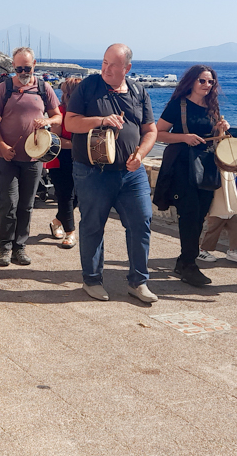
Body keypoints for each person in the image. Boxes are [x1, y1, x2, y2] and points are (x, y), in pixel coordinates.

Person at [66, 44, 158, 302]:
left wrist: (140, 155)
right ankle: (92, 280)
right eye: (104, 62)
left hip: (131, 173)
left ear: (127, 68)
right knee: (93, 225)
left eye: (113, 65)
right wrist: (101, 120)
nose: (105, 68)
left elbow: (150, 130)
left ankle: (138, 282)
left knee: (142, 222)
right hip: (93, 171)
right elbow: (70, 122)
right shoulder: (88, 87)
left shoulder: (139, 92)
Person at [154, 64, 230, 287]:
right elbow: (158, 133)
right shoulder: (179, 105)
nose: (207, 85)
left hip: (207, 165)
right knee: (189, 214)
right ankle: (189, 265)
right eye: (202, 81)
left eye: (210, 82)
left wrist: (221, 129)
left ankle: (183, 261)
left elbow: (214, 136)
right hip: (183, 166)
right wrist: (184, 138)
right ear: (191, 82)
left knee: (199, 216)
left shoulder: (211, 106)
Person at [0, 47, 61, 266]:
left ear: (34, 64)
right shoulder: (4, 88)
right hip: (6, 156)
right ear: (13, 67)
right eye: (18, 68)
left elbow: (58, 117)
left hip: (33, 158)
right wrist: (1, 145)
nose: (22, 72)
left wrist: (47, 122)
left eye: (26, 68)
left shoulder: (43, 88)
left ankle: (20, 247)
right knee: (8, 203)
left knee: (26, 205)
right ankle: (4, 247)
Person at [46, 77, 81, 249]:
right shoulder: (60, 112)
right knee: (66, 196)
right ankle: (70, 233)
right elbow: (55, 140)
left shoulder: (85, 113)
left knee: (78, 198)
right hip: (61, 159)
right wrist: (77, 145)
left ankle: (56, 221)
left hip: (80, 159)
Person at [199, 176, 237, 263]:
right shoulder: (217, 175)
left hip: (230, 210)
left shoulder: (233, 176)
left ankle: (233, 250)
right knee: (213, 230)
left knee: (236, 228)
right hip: (217, 208)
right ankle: (203, 250)